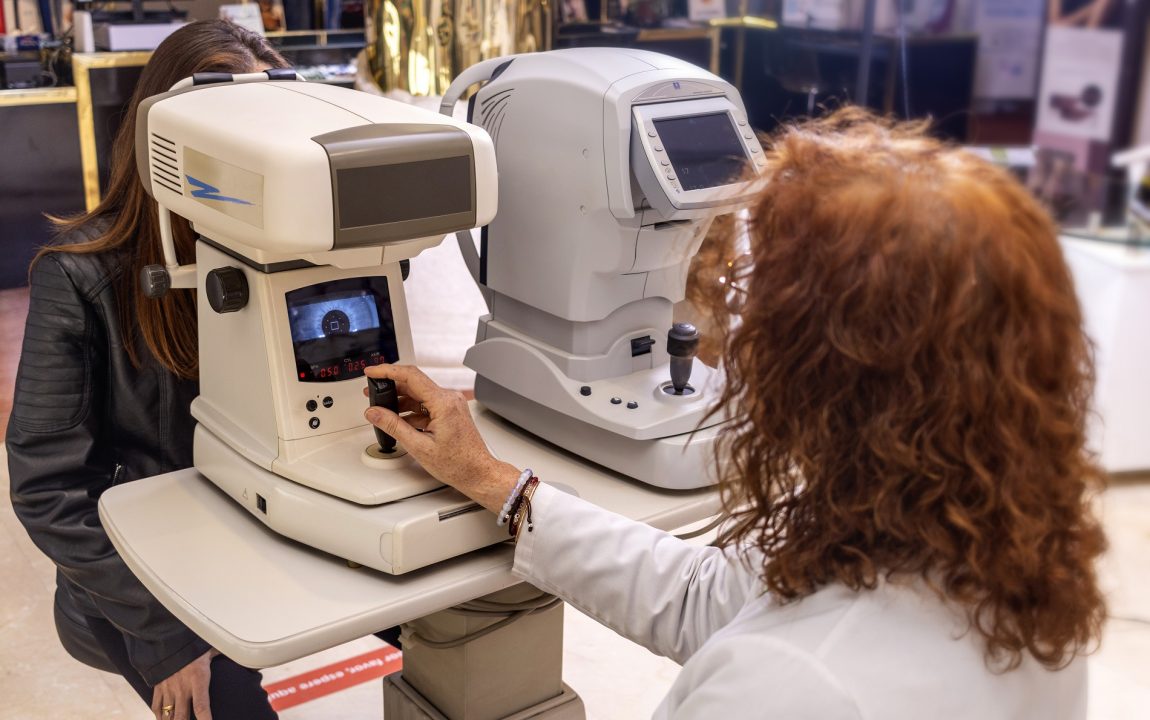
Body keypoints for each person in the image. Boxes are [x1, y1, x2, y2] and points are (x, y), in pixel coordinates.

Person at [361, 109, 1108, 718]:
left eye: (766, 309)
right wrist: (497, 483)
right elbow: (706, 597)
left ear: (829, 377)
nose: (738, 329)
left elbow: (765, 643)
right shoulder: (1001, 563)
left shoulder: (791, 688)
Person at [6, 20, 291, 720]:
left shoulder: (286, 256)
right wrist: (166, 635)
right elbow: (47, 488)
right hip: (136, 579)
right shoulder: (80, 276)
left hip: (257, 537)